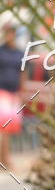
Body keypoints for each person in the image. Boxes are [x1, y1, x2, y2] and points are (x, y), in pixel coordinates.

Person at [0, 21, 25, 172]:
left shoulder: (20, 53)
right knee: (3, 127)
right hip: (2, 92)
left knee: (8, 129)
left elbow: (23, 73)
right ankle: (4, 160)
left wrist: (22, 92)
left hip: (14, 93)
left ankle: (5, 159)